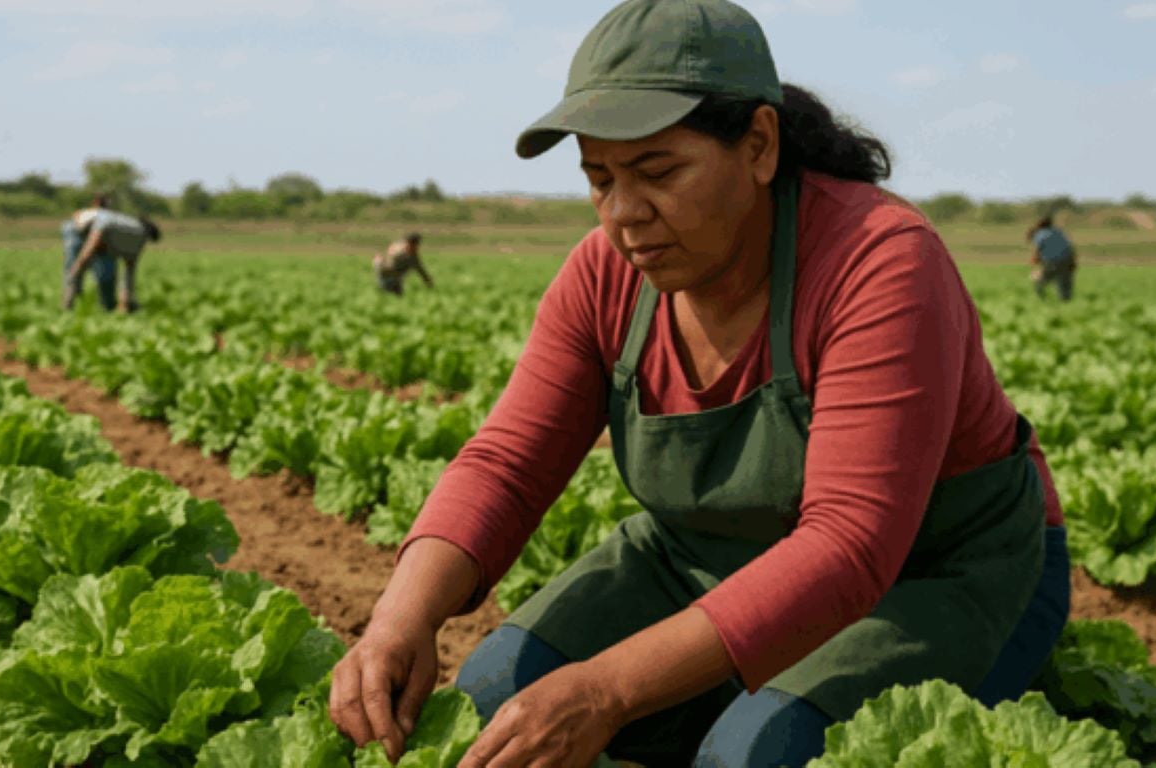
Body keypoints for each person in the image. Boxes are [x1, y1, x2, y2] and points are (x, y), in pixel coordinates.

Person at [328, 1, 1070, 765]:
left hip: (938, 573)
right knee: (497, 690)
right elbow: (507, 464)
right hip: (703, 560)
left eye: (658, 173)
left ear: (759, 145)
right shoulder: (606, 275)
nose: (623, 213)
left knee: (754, 754)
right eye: (599, 179)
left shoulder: (877, 261)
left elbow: (850, 543)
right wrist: (400, 618)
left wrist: (609, 690)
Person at [64, 207, 161, 312]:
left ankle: (108, 305)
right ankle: (69, 303)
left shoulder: (133, 232)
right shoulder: (99, 221)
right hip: (82, 230)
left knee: (104, 275)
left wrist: (125, 299)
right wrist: (79, 264)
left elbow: (129, 272)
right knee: (75, 268)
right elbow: (91, 246)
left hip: (103, 237)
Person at [60, 193, 119, 310]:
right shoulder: (107, 215)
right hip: (96, 244)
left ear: (95, 203)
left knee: (73, 273)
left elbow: (76, 220)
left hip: (80, 243)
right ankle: (108, 306)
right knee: (105, 276)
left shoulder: (83, 213)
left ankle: (68, 304)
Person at [1027, 215, 1077, 301]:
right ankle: (1065, 302)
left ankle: (1042, 299)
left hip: (1052, 262)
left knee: (1040, 281)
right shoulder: (1059, 232)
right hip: (1067, 260)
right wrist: (1073, 262)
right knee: (1064, 285)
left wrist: (1035, 260)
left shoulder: (1041, 234)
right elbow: (1070, 248)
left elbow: (1038, 250)